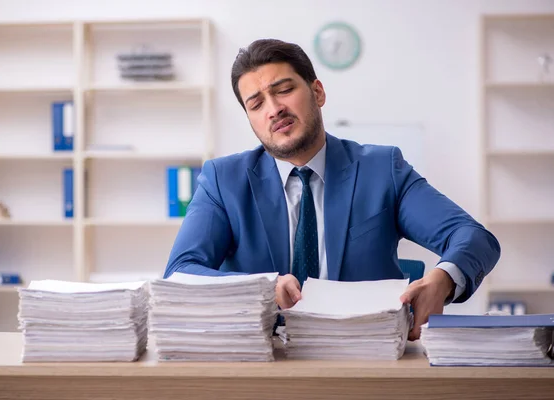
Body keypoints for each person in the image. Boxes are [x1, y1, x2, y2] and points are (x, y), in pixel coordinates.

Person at [164, 38, 501, 340]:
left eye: (283, 90)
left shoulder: (382, 169)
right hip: (262, 364)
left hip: (366, 360)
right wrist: (262, 289)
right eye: (256, 104)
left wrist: (443, 278)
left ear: (318, 92)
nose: (273, 109)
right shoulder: (223, 180)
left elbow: (472, 236)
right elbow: (181, 272)